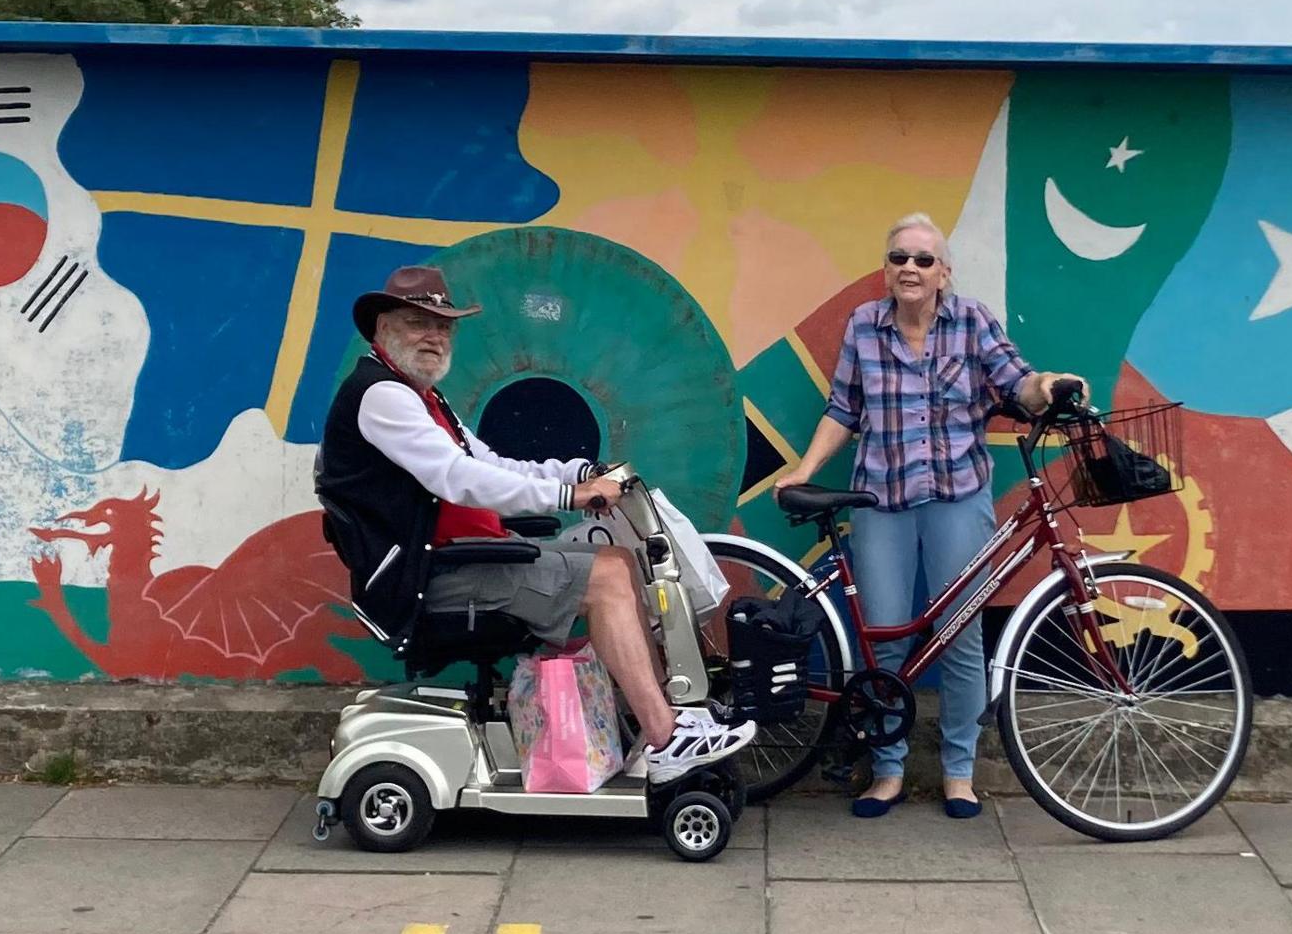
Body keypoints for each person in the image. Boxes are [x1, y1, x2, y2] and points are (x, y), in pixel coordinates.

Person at [316, 264, 753, 783]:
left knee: (618, 561)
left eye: (444, 325)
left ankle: (660, 722)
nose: (434, 335)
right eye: (418, 322)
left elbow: (491, 464)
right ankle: (664, 738)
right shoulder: (382, 395)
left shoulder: (423, 397)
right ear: (382, 327)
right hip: (431, 577)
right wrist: (569, 494)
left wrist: (575, 471)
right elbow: (457, 479)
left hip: (464, 557)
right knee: (607, 576)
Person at [776, 216, 1083, 819]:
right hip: (881, 499)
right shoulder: (864, 325)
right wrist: (806, 470)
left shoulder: (972, 321)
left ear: (945, 273)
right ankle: (887, 770)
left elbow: (1018, 382)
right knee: (885, 641)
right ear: (886, 270)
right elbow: (844, 408)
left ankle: (958, 771)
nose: (909, 269)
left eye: (923, 259)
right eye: (898, 259)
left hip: (957, 497)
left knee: (961, 638)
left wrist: (1050, 385)